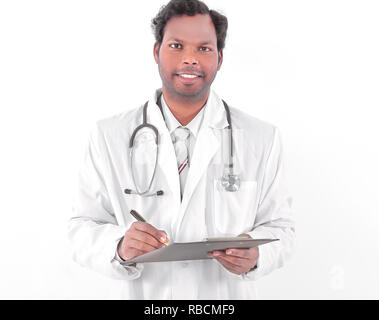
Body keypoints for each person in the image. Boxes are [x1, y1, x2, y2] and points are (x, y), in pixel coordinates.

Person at [68, 0, 295, 300]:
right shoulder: (109, 136)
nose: (190, 59)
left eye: (204, 48)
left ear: (220, 58)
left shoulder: (261, 139)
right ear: (156, 51)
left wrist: (255, 254)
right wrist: (120, 246)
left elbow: (282, 229)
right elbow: (81, 227)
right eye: (176, 45)